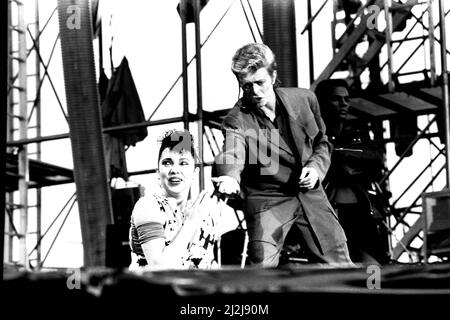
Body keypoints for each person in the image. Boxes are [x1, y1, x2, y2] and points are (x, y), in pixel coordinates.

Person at [213, 43, 352, 267]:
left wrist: (316, 169)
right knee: (261, 268)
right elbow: (232, 150)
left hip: (310, 195)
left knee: (340, 264)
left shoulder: (305, 100)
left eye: (260, 83)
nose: (255, 92)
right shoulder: (236, 119)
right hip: (268, 199)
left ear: (273, 75)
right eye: (247, 86)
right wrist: (230, 177)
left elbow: (322, 142)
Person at [315, 79, 390, 264]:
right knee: (337, 266)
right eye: (336, 99)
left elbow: (376, 158)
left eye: (347, 99)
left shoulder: (355, 133)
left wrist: (341, 156)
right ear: (322, 102)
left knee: (373, 265)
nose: (343, 104)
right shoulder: (311, 134)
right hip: (324, 212)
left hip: (359, 210)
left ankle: (375, 291)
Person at [129, 129, 220, 270]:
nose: (174, 170)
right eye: (167, 162)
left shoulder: (202, 211)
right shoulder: (148, 206)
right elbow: (159, 269)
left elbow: (209, 263)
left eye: (183, 163)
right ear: (158, 172)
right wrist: (191, 222)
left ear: (195, 172)